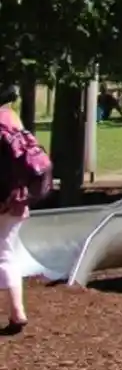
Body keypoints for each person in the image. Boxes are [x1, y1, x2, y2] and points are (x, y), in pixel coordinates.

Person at [1, 84, 52, 334]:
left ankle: (18, 312)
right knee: (7, 253)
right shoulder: (12, 118)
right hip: (17, 196)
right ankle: (17, 312)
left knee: (4, 255)